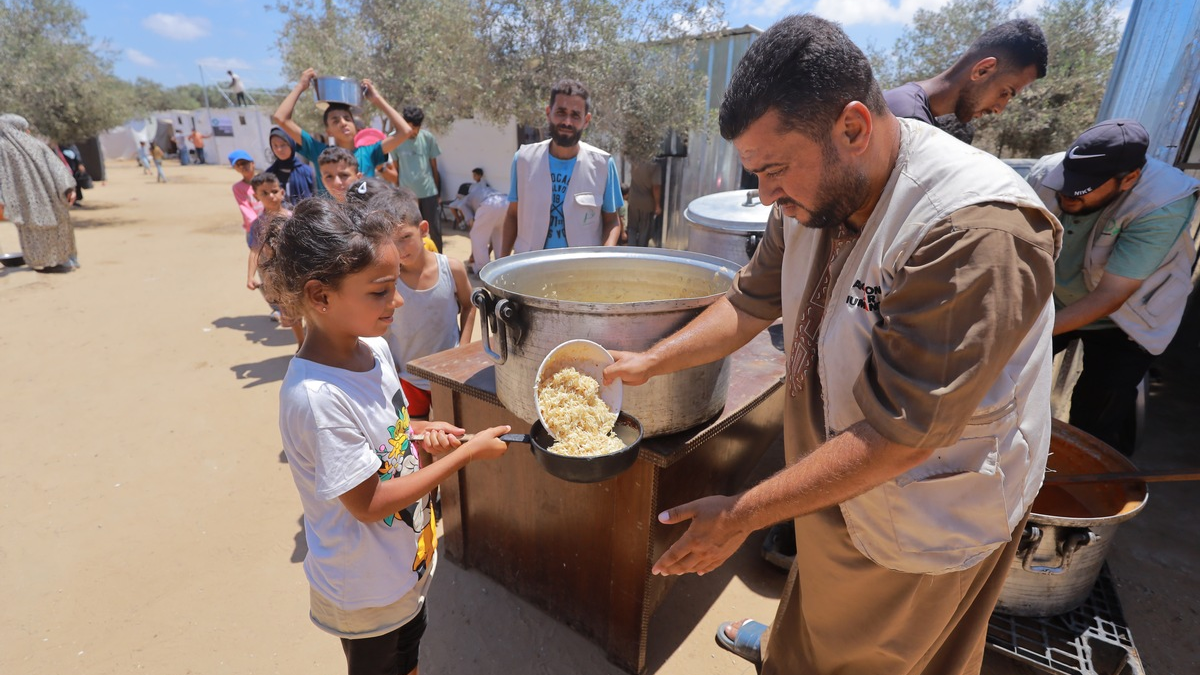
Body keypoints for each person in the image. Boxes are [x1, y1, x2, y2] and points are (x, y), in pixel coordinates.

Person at [602, 15, 1061, 674]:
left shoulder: (972, 230)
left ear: (852, 127)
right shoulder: (811, 197)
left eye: (774, 169)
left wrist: (741, 512)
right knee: (812, 630)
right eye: (754, 171)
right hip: (839, 489)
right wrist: (647, 362)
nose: (764, 192)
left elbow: (900, 436)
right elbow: (746, 302)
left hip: (923, 516)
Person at [257, 197, 512, 675]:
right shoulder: (317, 398)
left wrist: (418, 430)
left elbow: (383, 426)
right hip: (364, 591)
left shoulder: (373, 349)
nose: (397, 301)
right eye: (380, 291)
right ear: (320, 297)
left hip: (403, 566)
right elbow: (369, 503)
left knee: (408, 656)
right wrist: (464, 457)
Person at [1026, 119, 1200, 455]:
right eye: (1067, 182)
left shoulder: (1163, 201)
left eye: (1084, 189)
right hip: (1055, 301)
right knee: (1011, 382)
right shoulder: (1048, 173)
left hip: (1126, 317)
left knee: (1098, 413)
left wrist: (1027, 331)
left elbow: (1110, 296)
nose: (1067, 195)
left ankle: (1090, 486)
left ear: (1130, 179)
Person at [365, 186, 476, 418]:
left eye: (406, 237)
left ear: (423, 230)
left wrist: (463, 349)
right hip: (407, 377)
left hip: (448, 374)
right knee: (417, 435)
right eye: (391, 242)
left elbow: (469, 305)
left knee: (451, 432)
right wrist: (386, 363)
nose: (400, 249)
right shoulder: (384, 282)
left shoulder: (452, 269)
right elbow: (373, 323)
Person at [501, 79, 624, 256]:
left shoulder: (603, 164)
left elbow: (612, 221)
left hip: (581, 273)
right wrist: (500, 266)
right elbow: (512, 216)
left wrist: (601, 261)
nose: (567, 122)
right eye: (561, 112)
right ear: (548, 113)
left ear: (586, 120)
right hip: (530, 272)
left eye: (575, 115)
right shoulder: (523, 160)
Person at [884, 19, 1047, 131]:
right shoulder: (910, 122)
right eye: (1004, 93)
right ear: (982, 70)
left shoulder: (911, 107)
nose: (999, 109)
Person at [272, 69, 412, 196]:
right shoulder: (319, 152)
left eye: (347, 118)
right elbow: (281, 118)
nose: (343, 123)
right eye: (335, 121)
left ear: (355, 126)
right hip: (334, 221)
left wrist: (377, 99)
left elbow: (405, 131)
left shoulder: (369, 153)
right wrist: (300, 86)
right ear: (328, 132)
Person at [0, 113, 79, 272]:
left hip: (26, 203)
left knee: (35, 232)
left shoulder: (2, 147)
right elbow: (57, 168)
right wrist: (69, 188)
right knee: (60, 228)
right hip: (53, 198)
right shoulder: (37, 144)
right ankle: (67, 260)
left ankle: (49, 262)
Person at [390, 106, 445, 252]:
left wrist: (438, 193)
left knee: (434, 229)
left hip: (428, 192)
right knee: (409, 230)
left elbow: (434, 167)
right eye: (410, 127)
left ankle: (439, 260)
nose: (414, 131)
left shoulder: (427, 138)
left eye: (417, 127)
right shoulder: (394, 139)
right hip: (407, 195)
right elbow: (395, 169)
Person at [451, 168, 508, 273]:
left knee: (476, 237)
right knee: (499, 236)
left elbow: (472, 224)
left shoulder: (465, 199)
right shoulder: (483, 189)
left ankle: (483, 269)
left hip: (489, 204)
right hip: (505, 201)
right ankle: (502, 266)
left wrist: (474, 253)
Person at [265, 127, 315, 205]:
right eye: (275, 145)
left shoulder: (306, 171)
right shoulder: (269, 174)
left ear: (291, 144)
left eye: (283, 145)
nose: (279, 149)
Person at [625, 159, 663, 247]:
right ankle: (640, 253)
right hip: (646, 203)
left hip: (633, 200)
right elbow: (656, 187)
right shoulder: (655, 166)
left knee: (632, 227)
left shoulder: (635, 162)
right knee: (644, 229)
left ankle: (631, 251)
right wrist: (657, 205)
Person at [229, 149, 262, 235]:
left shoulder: (265, 181)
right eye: (238, 165)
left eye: (244, 162)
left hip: (271, 224)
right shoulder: (238, 188)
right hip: (254, 229)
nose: (242, 167)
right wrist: (258, 225)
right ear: (236, 169)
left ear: (253, 163)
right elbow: (245, 208)